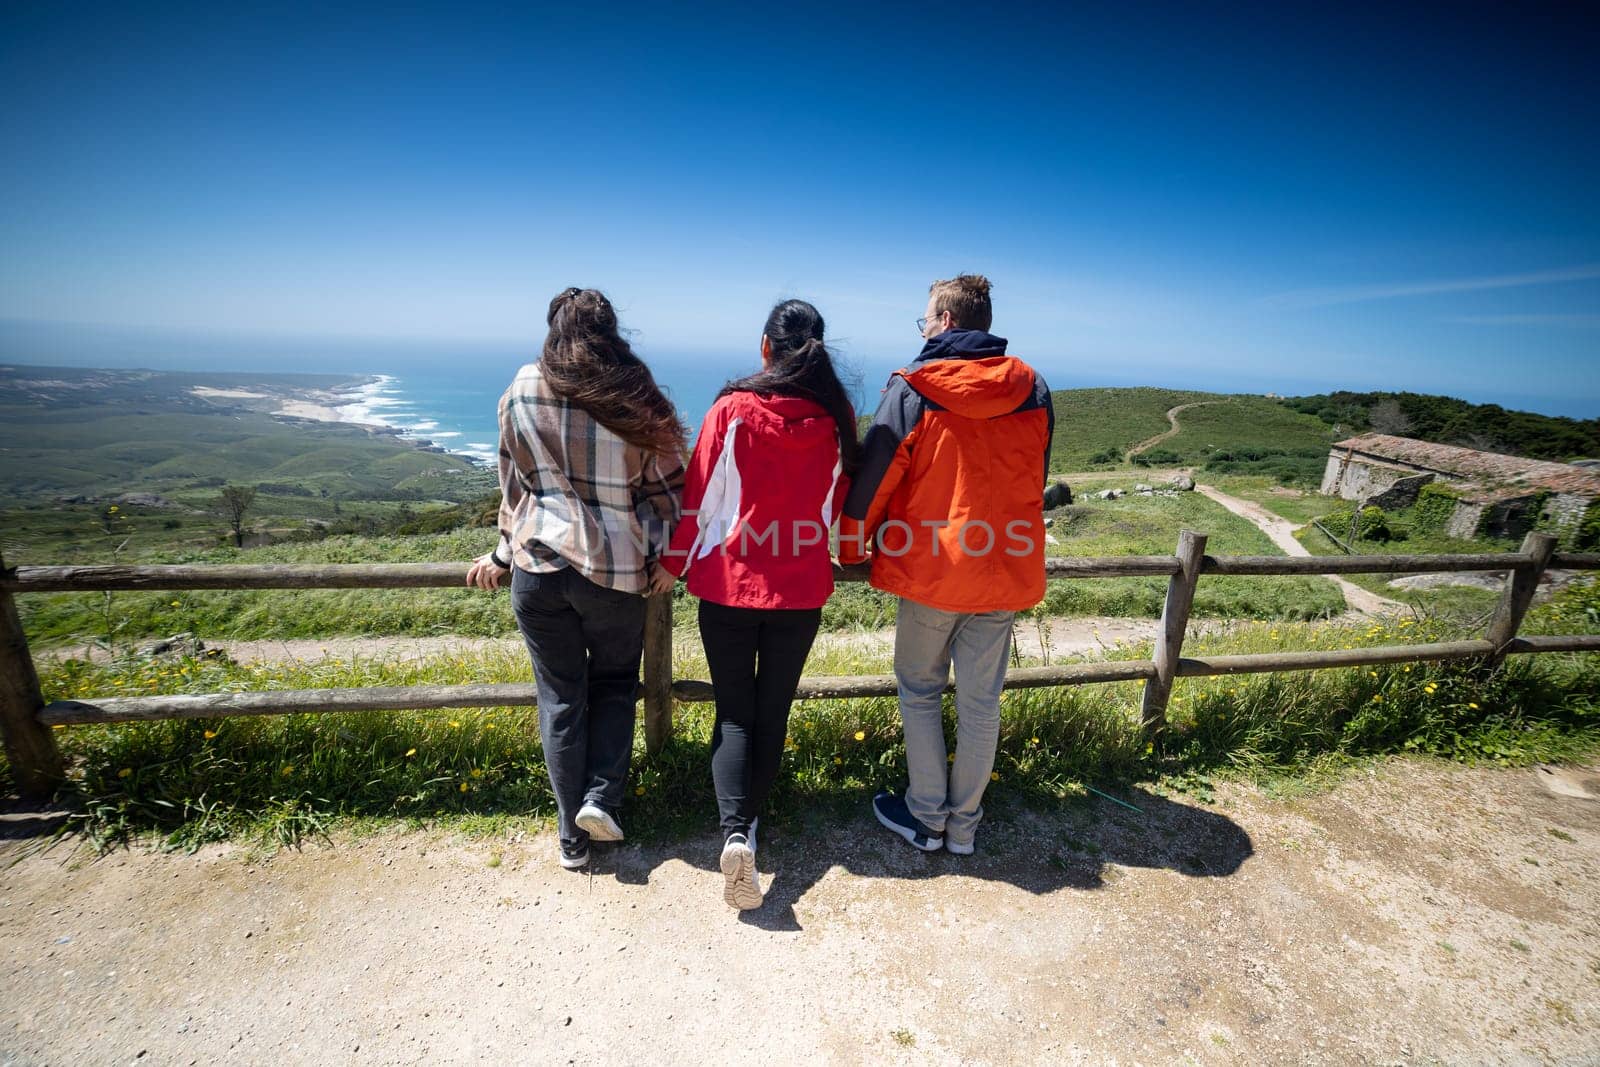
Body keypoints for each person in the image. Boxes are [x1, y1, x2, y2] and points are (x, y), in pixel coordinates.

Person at [467, 287, 685, 871]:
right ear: (612, 331)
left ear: (552, 329)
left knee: (561, 699)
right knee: (614, 684)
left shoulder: (519, 389)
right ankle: (600, 798)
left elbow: (513, 490)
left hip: (537, 570)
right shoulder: (633, 395)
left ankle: (571, 838)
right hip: (614, 572)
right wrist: (669, 557)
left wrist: (502, 555)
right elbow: (670, 492)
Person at [838, 274, 1053, 855]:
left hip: (933, 572)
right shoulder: (1034, 389)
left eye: (926, 318)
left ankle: (926, 817)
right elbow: (1036, 476)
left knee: (920, 691)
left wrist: (852, 548)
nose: (924, 327)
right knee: (982, 701)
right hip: (1006, 567)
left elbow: (874, 480)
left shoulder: (915, 387)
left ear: (947, 322)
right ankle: (964, 828)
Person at [655, 299, 858, 909]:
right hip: (800, 587)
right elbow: (839, 504)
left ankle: (735, 833)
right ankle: (751, 827)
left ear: (765, 347)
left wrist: (671, 566)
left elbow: (700, 500)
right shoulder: (836, 416)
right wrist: (848, 550)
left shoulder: (731, 410)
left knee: (735, 712)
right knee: (772, 711)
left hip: (728, 585)